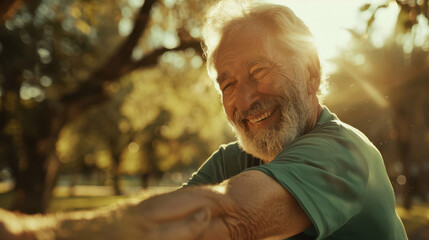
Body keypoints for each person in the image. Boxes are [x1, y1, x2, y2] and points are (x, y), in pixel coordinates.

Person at [0, 1, 407, 239]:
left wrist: (30, 234)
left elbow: (222, 216)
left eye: (259, 71)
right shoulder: (234, 161)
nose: (244, 99)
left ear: (312, 73)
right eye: (227, 83)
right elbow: (171, 212)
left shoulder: (342, 153)